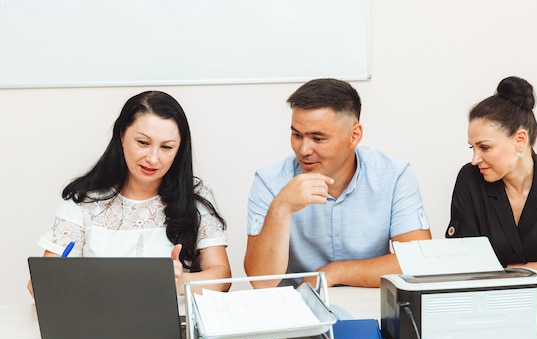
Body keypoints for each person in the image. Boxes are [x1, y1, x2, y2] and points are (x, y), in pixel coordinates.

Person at [27, 90, 231, 296]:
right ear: (122, 135)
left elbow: (222, 277)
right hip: (99, 322)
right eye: (143, 143)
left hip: (173, 324)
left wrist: (182, 281)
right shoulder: (84, 201)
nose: (153, 158)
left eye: (167, 147)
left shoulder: (195, 196)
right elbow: (41, 284)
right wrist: (49, 284)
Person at [244, 78, 431, 289]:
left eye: (318, 138)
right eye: (297, 135)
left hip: (370, 303)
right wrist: (282, 207)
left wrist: (334, 272)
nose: (303, 150)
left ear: (354, 135)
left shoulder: (394, 175)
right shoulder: (269, 181)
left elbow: (417, 261)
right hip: (297, 307)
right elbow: (260, 281)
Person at [446, 76, 537, 282]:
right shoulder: (469, 179)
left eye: (484, 147)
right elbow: (464, 267)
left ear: (520, 140)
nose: (475, 159)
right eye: (472, 147)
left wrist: (504, 272)